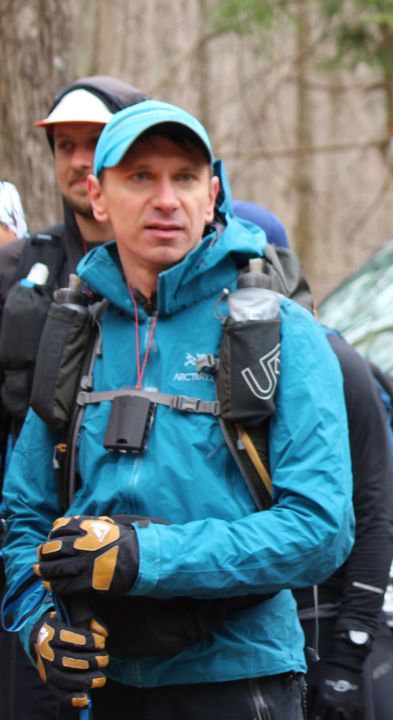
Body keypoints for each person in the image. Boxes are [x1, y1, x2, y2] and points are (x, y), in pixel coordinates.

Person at [1, 100, 353, 718]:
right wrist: (41, 628)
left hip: (239, 680)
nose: (166, 198)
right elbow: (24, 517)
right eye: (140, 177)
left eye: (184, 178)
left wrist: (144, 559)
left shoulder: (283, 332)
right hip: (102, 690)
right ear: (98, 196)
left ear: (212, 194)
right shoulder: (71, 336)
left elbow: (321, 531)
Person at [0, 76, 146, 720]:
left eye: (96, 142)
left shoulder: (176, 281)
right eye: (64, 145)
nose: (79, 161)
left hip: (152, 582)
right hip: (37, 578)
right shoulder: (18, 273)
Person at [233, 199, 393, 720]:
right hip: (253, 643)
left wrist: (348, 658)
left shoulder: (332, 358)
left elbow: (375, 511)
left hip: (334, 628)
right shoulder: (206, 357)